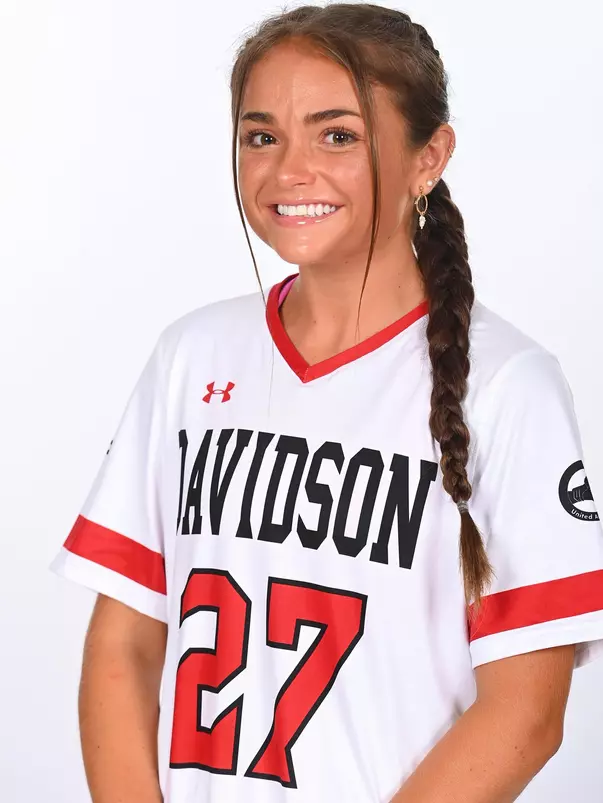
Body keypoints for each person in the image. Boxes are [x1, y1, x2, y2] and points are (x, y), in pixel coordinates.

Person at [50, 4, 603, 802]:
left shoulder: (509, 384)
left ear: (429, 156)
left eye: (336, 134)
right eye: (261, 135)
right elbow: (122, 647)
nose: (288, 170)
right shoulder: (191, 355)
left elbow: (525, 711)